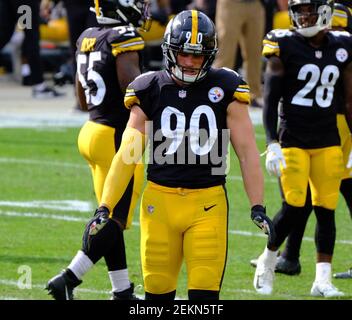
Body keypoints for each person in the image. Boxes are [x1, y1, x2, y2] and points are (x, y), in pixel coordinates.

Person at [96, 9, 274, 300]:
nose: (190, 63)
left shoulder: (225, 87)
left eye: (198, 55)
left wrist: (257, 206)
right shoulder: (149, 87)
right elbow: (127, 155)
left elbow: (247, 153)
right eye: (184, 54)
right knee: (156, 298)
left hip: (207, 204)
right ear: (169, 51)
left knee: (204, 301)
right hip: (159, 205)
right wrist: (105, 206)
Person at [46, 0, 151, 300]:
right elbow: (135, 92)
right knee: (114, 219)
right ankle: (70, 277)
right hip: (119, 137)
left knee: (108, 215)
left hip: (91, 131)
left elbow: (81, 100)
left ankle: (121, 290)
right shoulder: (124, 38)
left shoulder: (88, 36)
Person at [254, 0, 352, 297]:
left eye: (309, 10)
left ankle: (322, 280)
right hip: (294, 138)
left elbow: (348, 101)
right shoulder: (283, 44)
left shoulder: (342, 45)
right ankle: (268, 259)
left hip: (327, 140)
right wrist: (272, 142)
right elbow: (270, 101)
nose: (302, 16)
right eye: (299, 11)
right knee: (294, 207)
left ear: (324, 12)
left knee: (327, 210)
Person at [0, 0, 63, 98]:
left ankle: (35, 81)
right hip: (25, 3)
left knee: (4, 33)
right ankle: (39, 85)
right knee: (31, 36)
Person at [213, 0, 266, 108]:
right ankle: (218, 91)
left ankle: (254, 94)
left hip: (255, 4)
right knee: (225, 52)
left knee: (255, 53)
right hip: (231, 4)